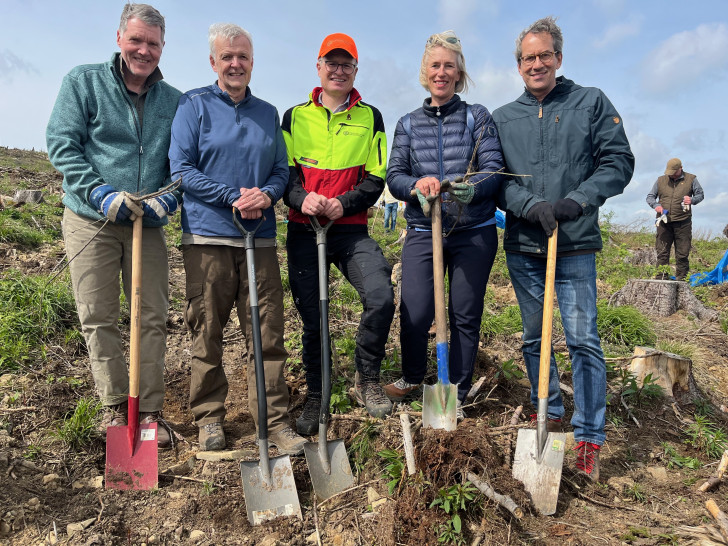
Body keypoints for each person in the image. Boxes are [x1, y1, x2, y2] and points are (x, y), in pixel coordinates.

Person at [492, 16, 634, 481]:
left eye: (544, 55)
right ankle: (548, 410)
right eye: (528, 58)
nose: (537, 64)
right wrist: (529, 205)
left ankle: (589, 434)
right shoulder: (503, 118)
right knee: (536, 338)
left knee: (583, 341)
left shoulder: (589, 103)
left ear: (558, 57)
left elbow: (618, 161)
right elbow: (495, 181)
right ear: (518, 65)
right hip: (525, 246)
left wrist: (578, 200)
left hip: (573, 245)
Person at [46, 3, 181, 448]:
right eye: (137, 40)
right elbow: (63, 144)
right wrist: (99, 192)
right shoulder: (82, 82)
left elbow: (182, 163)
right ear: (120, 38)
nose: (144, 50)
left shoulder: (173, 101)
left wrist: (169, 197)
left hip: (149, 224)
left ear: (163, 47)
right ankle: (112, 406)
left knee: (153, 317)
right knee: (99, 316)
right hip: (91, 220)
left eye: (153, 44)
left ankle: (149, 412)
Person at [168, 23, 306, 454]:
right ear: (213, 62)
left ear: (251, 62)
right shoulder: (194, 106)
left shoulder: (268, 112)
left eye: (242, 56)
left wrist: (265, 194)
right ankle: (210, 417)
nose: (235, 63)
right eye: (227, 56)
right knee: (206, 330)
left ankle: (276, 420)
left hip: (259, 238)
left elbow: (282, 170)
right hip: (207, 238)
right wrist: (233, 197)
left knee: (266, 333)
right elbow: (181, 169)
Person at [384, 30, 504, 420]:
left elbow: (493, 168)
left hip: (473, 231)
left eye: (448, 65)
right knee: (416, 311)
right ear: (425, 71)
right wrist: (415, 186)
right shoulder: (408, 124)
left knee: (464, 313)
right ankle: (415, 377)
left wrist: (473, 187)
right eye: (435, 65)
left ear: (458, 72)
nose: (441, 72)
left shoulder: (477, 116)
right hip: (423, 230)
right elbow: (395, 175)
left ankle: (459, 387)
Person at [282, 33, 395, 435]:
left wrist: (341, 204)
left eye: (346, 63)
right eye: (332, 62)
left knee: (380, 296)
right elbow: (285, 176)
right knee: (313, 319)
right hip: (304, 229)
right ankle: (317, 393)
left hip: (350, 230)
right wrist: (303, 199)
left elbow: (376, 178)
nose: (339, 69)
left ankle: (366, 379)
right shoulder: (294, 116)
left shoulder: (371, 117)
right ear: (319, 67)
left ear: (355, 70)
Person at [646, 158, 704, 280]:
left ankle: (682, 280)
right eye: (669, 172)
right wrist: (656, 206)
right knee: (662, 252)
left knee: (682, 254)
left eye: (674, 172)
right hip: (663, 222)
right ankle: (661, 279)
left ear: (680, 169)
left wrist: (692, 200)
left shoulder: (691, 179)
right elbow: (650, 197)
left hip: (683, 222)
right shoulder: (660, 180)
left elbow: (700, 195)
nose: (671, 174)